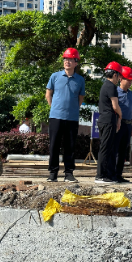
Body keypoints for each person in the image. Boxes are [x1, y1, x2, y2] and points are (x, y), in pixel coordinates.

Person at [45, 48, 85, 183]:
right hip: (55, 116)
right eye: (65, 59)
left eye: (70, 59)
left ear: (76, 63)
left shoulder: (80, 80)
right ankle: (53, 173)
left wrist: (72, 109)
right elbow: (48, 94)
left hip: (72, 118)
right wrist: (54, 108)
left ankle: (69, 173)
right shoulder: (54, 76)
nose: (67, 62)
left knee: (70, 146)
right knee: (54, 145)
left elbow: (80, 98)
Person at [95, 62, 123, 184]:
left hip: (103, 119)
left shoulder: (104, 85)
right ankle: (101, 175)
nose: (119, 79)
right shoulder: (112, 87)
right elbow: (115, 106)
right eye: (119, 76)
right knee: (106, 148)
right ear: (115, 75)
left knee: (105, 147)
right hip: (108, 120)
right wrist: (120, 116)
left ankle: (104, 174)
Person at [113, 66, 132, 183]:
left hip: (127, 125)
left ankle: (119, 174)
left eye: (131, 80)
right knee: (115, 149)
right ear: (121, 79)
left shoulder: (131, 94)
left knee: (123, 151)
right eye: (128, 80)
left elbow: (131, 110)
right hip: (118, 124)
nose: (130, 82)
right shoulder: (115, 92)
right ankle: (112, 174)